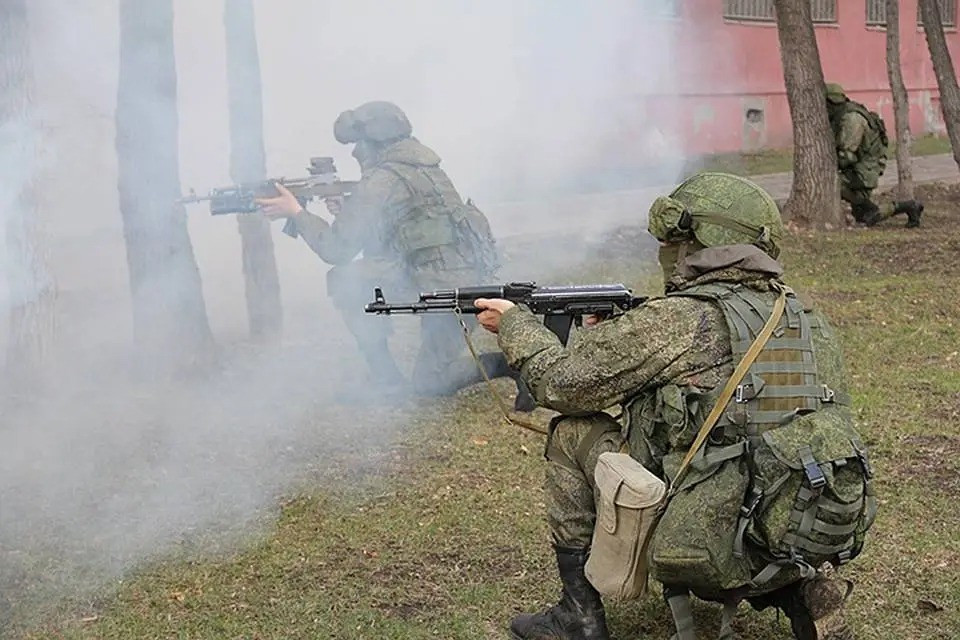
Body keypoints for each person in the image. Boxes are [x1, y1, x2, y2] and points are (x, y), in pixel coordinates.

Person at [475, 172, 875, 640]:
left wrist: (515, 326)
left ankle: (577, 615)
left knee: (570, 430)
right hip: (793, 525)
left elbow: (562, 385)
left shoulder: (680, 318)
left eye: (674, 240)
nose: (667, 251)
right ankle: (800, 589)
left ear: (697, 243)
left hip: (713, 535)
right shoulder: (804, 315)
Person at [257, 101, 532, 407]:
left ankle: (513, 368)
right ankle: (386, 380)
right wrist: (351, 212)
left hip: (446, 287)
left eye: (358, 144)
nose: (354, 152)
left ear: (374, 142)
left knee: (431, 380)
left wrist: (295, 212)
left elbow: (336, 249)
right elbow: (405, 235)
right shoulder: (420, 165)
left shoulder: (381, 180)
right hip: (454, 274)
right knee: (356, 280)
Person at [825, 82, 922, 228]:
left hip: (863, 173)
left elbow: (846, 156)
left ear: (831, 102)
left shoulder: (852, 119)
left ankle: (909, 207)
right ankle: (909, 206)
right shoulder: (844, 115)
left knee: (833, 185)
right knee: (863, 214)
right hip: (860, 169)